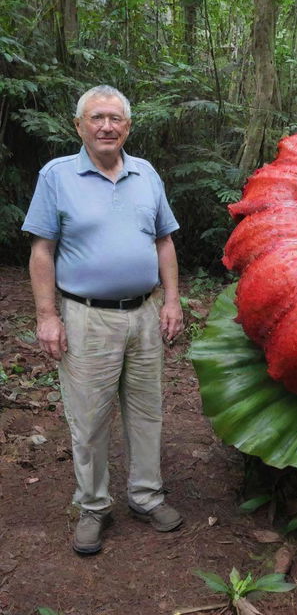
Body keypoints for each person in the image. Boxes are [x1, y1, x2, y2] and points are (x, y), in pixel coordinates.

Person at [22, 85, 184, 555]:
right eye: (96, 118)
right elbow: (41, 250)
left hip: (145, 315)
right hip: (86, 317)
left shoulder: (146, 174)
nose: (107, 126)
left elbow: (164, 243)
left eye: (115, 118)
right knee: (89, 419)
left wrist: (172, 301)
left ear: (128, 127)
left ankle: (146, 496)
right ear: (79, 126)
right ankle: (93, 506)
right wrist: (47, 315)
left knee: (147, 411)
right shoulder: (57, 175)